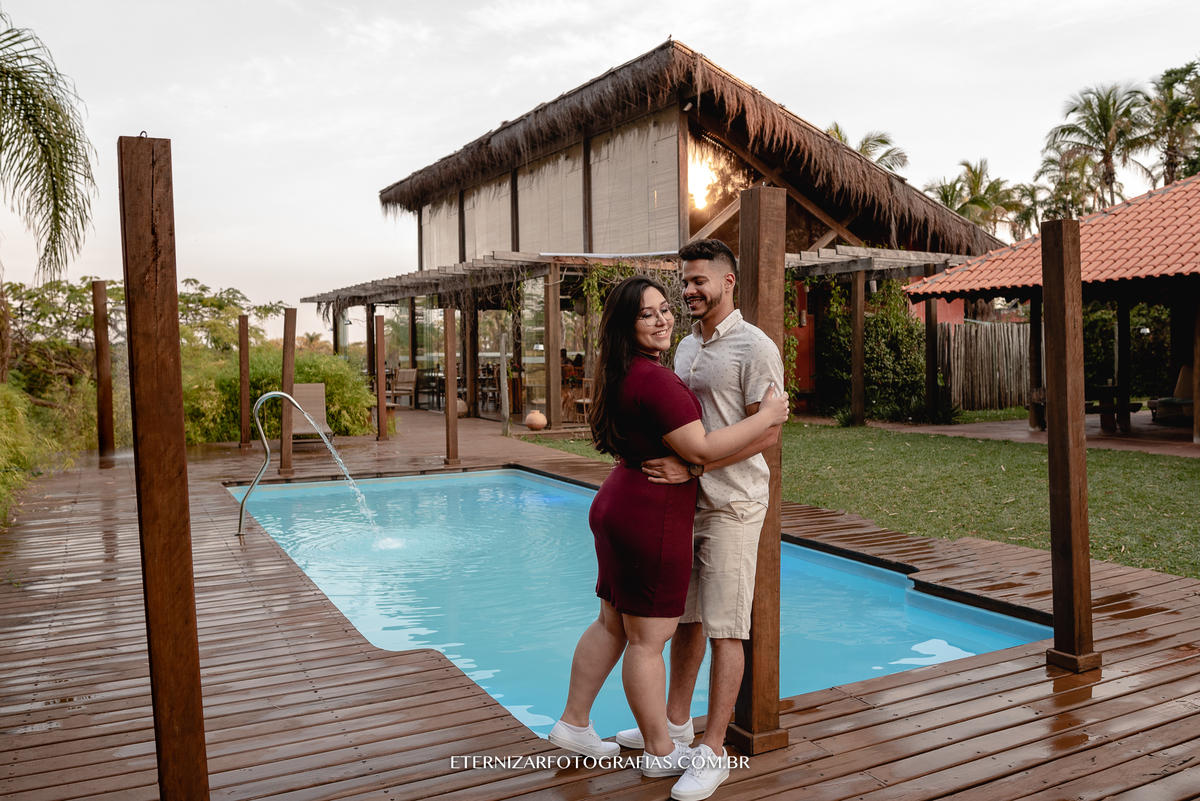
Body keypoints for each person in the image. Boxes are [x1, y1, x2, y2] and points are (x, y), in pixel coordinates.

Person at [548, 275, 788, 782]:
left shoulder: (622, 371)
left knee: (611, 624)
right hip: (649, 515)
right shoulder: (654, 378)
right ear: (625, 325)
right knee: (646, 642)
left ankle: (574, 722)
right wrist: (768, 415)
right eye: (647, 314)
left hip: (618, 501)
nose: (663, 320)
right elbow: (700, 448)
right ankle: (662, 749)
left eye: (664, 309)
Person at [624, 239, 785, 801]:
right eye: (684, 282)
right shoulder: (687, 346)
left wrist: (694, 467)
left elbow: (768, 431)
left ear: (728, 281)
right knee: (685, 620)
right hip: (686, 502)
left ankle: (712, 749)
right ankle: (674, 726)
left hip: (734, 504)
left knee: (724, 627)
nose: (688, 291)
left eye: (699, 281)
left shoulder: (755, 347)